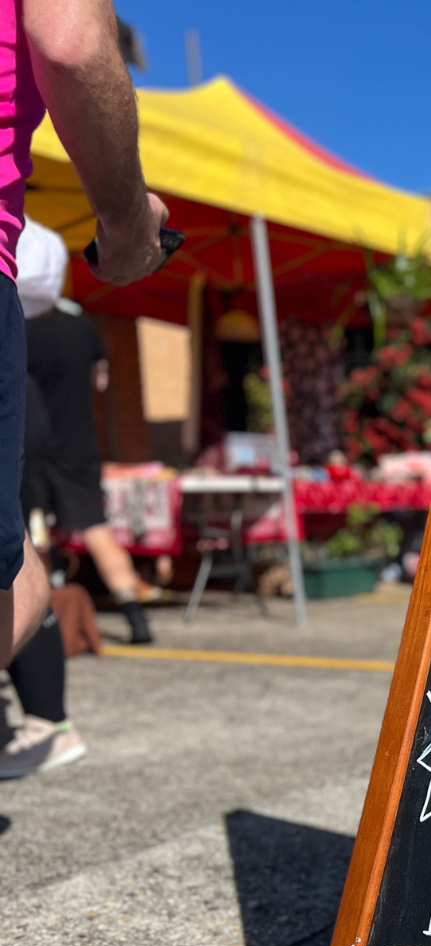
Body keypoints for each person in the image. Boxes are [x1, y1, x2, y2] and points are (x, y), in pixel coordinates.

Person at [0, 0, 168, 771]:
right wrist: (129, 219)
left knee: (33, 563)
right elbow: (70, 43)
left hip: (47, 445)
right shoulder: (81, 328)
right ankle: (128, 613)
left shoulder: (46, 330)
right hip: (69, 446)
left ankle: (120, 619)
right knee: (26, 568)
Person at [18, 215, 156, 644]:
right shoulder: (82, 326)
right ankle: (135, 616)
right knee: (96, 528)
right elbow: (101, 379)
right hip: (79, 439)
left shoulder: (15, 328)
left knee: (26, 534)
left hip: (29, 442)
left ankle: (38, 623)